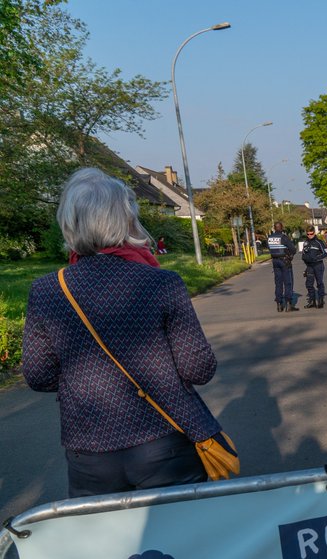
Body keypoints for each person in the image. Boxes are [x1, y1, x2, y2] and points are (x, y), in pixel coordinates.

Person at [22, 167, 218, 497]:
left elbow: (38, 375)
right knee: (184, 541)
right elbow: (199, 369)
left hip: (90, 453)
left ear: (69, 223)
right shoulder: (161, 283)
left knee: (107, 544)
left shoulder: (46, 291)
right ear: (127, 219)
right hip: (164, 441)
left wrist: (87, 378)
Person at [267, 221, 298, 312]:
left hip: (275, 262)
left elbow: (270, 248)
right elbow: (293, 249)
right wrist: (289, 253)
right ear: (281, 228)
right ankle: (289, 304)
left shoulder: (269, 238)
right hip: (284, 261)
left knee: (278, 283)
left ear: (274, 228)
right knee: (288, 282)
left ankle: (279, 304)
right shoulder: (284, 237)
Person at [300, 226, 327, 308]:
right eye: (308, 234)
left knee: (319, 283)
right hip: (309, 266)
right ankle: (312, 302)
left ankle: (320, 300)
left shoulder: (319, 242)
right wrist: (305, 259)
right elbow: (303, 253)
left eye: (311, 234)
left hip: (318, 265)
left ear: (314, 233)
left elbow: (326, 253)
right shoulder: (306, 242)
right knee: (309, 284)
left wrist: (316, 258)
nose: (309, 235)